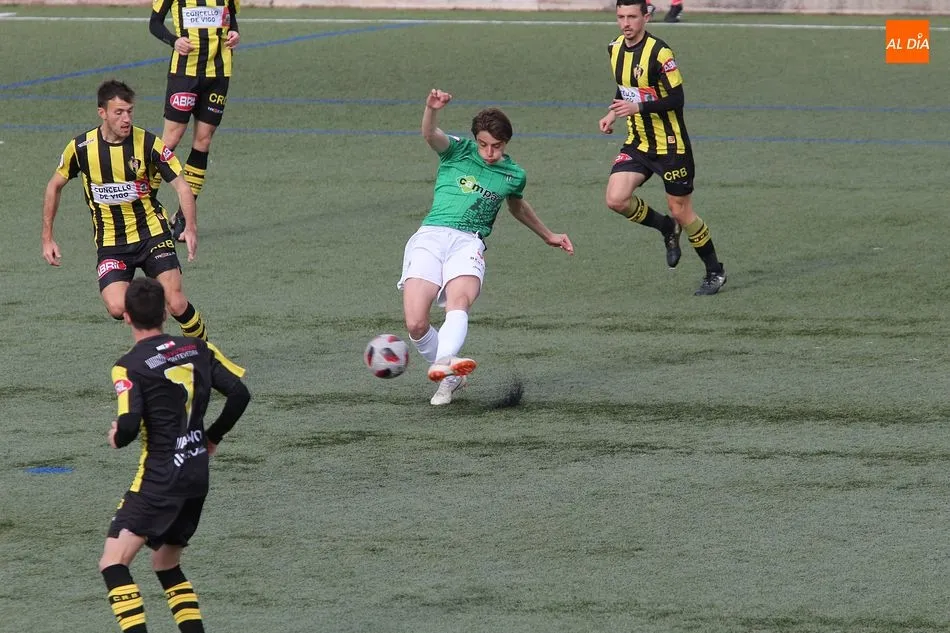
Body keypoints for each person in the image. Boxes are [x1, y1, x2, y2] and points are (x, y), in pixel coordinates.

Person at [400, 89, 575, 406]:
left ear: (506, 143)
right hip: (431, 236)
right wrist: (431, 108)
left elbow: (517, 207)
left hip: (469, 241)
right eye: (483, 145)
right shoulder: (458, 151)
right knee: (416, 323)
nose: (489, 152)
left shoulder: (514, 174)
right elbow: (429, 134)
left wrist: (547, 234)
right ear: (475, 140)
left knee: (459, 301)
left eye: (496, 146)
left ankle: (444, 362)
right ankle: (451, 375)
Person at [99, 277, 250, 633]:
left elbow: (129, 425)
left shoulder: (128, 366)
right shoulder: (198, 348)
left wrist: (116, 436)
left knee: (113, 562)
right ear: (166, 313)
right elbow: (240, 394)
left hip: (159, 479)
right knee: (166, 564)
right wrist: (212, 437)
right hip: (195, 476)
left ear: (126, 317)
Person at [42, 80, 210, 339]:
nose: (126, 119)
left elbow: (182, 187)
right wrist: (48, 238)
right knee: (117, 307)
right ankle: (155, 340)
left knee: (176, 303)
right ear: (102, 113)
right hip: (112, 243)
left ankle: (204, 351)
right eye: (119, 112)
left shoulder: (148, 143)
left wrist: (190, 226)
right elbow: (54, 186)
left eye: (129, 111)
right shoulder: (81, 148)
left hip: (152, 234)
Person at [600, 0, 726, 295]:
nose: (626, 23)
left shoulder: (660, 52)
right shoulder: (614, 48)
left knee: (681, 210)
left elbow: (677, 99)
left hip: (671, 146)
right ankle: (666, 228)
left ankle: (715, 270)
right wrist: (612, 113)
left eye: (632, 16)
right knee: (616, 199)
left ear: (646, 17)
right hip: (638, 142)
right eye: (621, 17)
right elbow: (625, 85)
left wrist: (638, 107)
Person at [149, 0, 240, 241]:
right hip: (184, 73)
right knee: (170, 139)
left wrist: (234, 33)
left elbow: (230, 17)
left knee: (203, 141)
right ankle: (145, 205)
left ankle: (182, 216)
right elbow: (154, 23)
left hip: (218, 73)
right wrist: (174, 41)